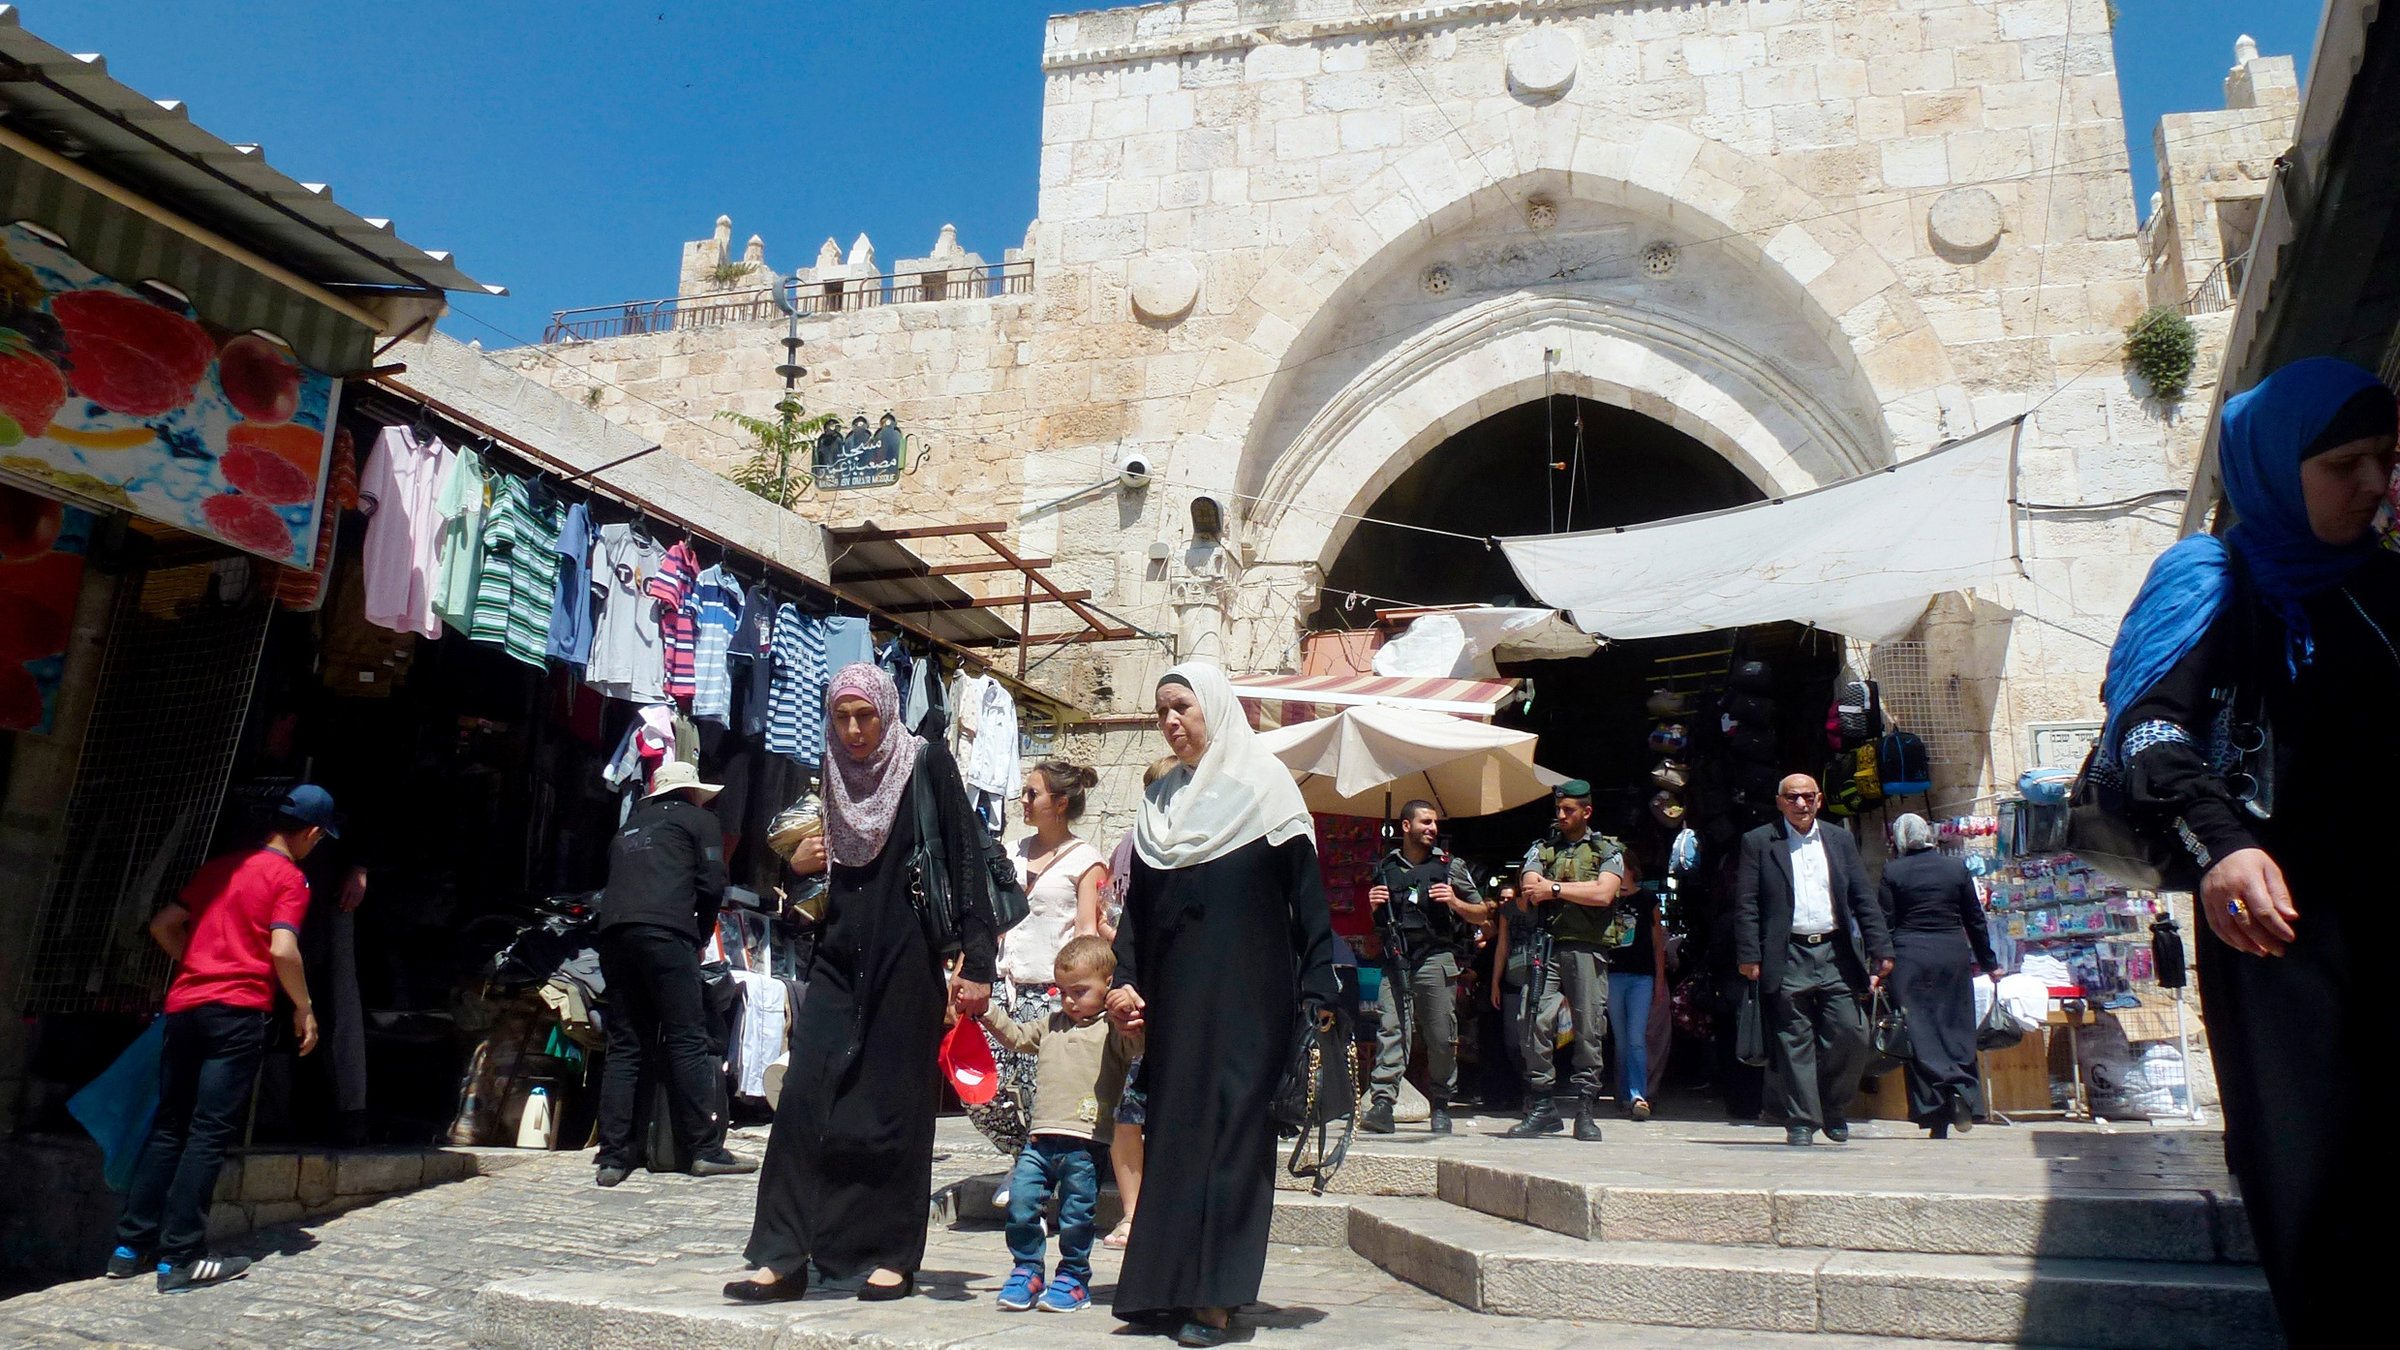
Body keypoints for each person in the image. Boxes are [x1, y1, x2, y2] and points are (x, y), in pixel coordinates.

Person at [2096, 357, 2395, 1347]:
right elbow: (2149, 735)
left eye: (2384, 461)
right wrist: (2221, 848)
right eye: (2345, 462)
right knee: (2320, 1184)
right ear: (2277, 466)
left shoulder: (2382, 589)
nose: (2373, 485)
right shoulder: (2215, 583)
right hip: (2279, 930)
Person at [731, 663, 996, 1303]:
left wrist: (979, 962)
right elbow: (805, 879)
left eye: (865, 716)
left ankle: (890, 1254)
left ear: (886, 712)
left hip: (908, 960)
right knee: (802, 1102)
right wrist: (793, 867)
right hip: (835, 961)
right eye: (841, 716)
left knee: (892, 1107)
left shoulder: (925, 764)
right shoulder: (827, 777)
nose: (852, 730)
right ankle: (783, 1255)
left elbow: (967, 856)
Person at [1105, 662, 1338, 1348]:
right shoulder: (1159, 809)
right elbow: (1137, 919)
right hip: (1177, 1007)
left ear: (1215, 708)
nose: (1171, 721)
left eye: (1183, 707)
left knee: (1235, 1137)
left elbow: (1308, 903)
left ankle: (1217, 1298)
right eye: (1162, 711)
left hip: (1251, 1003)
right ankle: (1161, 1288)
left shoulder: (1266, 791)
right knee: (1175, 1137)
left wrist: (1321, 986)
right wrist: (1125, 980)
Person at [111, 786, 336, 1293]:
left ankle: (129, 1248)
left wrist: (198, 961)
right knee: (208, 1133)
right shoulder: (290, 878)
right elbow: (283, 949)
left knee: (170, 1125)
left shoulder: (222, 867)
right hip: (237, 1013)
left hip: (186, 1007)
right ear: (314, 832)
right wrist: (304, 1008)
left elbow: (164, 924)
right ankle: (181, 1257)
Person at [592, 760, 753, 1185]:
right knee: (687, 1038)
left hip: (614, 934)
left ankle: (613, 1157)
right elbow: (713, 883)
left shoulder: (628, 828)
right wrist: (699, 935)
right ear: (691, 792)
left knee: (625, 1043)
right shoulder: (700, 820)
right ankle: (705, 1149)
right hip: (666, 934)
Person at [1733, 774, 1894, 1146]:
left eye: (1807, 797)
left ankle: (1834, 1107)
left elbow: (1862, 898)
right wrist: (1749, 955)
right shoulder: (1759, 842)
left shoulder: (1839, 840)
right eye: (1792, 798)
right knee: (1794, 1039)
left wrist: (1880, 948)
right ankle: (1802, 1119)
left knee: (1851, 1033)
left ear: (1820, 800)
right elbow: (1746, 904)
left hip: (1835, 951)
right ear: (1779, 802)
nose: (1800, 804)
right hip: (1787, 953)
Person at [985, 935, 1142, 1315]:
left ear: (1108, 985)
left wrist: (1129, 1016)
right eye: (1064, 991)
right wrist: (986, 1010)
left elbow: (1137, 1047)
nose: (1070, 1000)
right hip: (1039, 1142)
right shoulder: (1051, 1024)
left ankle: (1073, 1279)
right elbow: (1017, 1036)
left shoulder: (1113, 1030)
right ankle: (1027, 1270)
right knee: (1021, 1203)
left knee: (1076, 1216)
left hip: (1084, 1146)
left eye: (1081, 991)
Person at [969, 759, 1111, 1159]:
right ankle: (1025, 1160)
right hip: (1003, 988)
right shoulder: (1010, 852)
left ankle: (1036, 1174)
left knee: (1039, 1096)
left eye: (1034, 793)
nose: (1024, 800)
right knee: (979, 1088)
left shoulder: (1086, 860)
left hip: (1052, 994)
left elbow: (1086, 930)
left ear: (1060, 802)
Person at [1362, 800, 1489, 1134]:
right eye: (1425, 822)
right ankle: (1383, 1103)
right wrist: (1372, 906)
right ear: (1406, 826)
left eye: (1434, 823)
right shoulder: (1385, 868)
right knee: (1392, 1028)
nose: (1432, 828)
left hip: (1436, 959)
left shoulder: (1451, 867)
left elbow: (1483, 916)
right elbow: (1373, 931)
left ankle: (1441, 1102)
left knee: (1441, 1036)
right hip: (1397, 958)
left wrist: (1454, 901)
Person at [1508, 782, 1624, 1142]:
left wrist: (1554, 889)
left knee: (1589, 1027)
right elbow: (1530, 887)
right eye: (1558, 809)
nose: (1560, 816)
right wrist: (1547, 889)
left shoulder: (1607, 849)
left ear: (1586, 812)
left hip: (1588, 949)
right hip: (1548, 946)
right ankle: (1542, 1105)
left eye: (1568, 810)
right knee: (1531, 1018)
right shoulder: (1542, 849)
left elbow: (1604, 892)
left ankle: (1585, 1109)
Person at [1878, 813, 2001, 1138]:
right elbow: (1974, 919)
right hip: (1951, 954)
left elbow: (1885, 923)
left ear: (1901, 838)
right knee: (1955, 1025)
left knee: (1920, 1031)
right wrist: (1989, 963)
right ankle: (1961, 1092)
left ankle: (1934, 1114)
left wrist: (1879, 965)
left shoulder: (1893, 871)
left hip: (1910, 958)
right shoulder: (1956, 868)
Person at [1104, 754, 1181, 1249]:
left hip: (1179, 994)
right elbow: (1117, 915)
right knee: (1130, 1110)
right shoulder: (1129, 848)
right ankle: (1134, 1213)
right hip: (1138, 992)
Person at [1604, 855, 1667, 1121]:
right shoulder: (1608, 898)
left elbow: (1657, 943)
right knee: (1620, 1040)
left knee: (1636, 1038)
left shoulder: (1647, 899)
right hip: (1613, 974)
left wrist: (1660, 980)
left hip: (1641, 976)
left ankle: (1638, 1094)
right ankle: (1623, 1093)